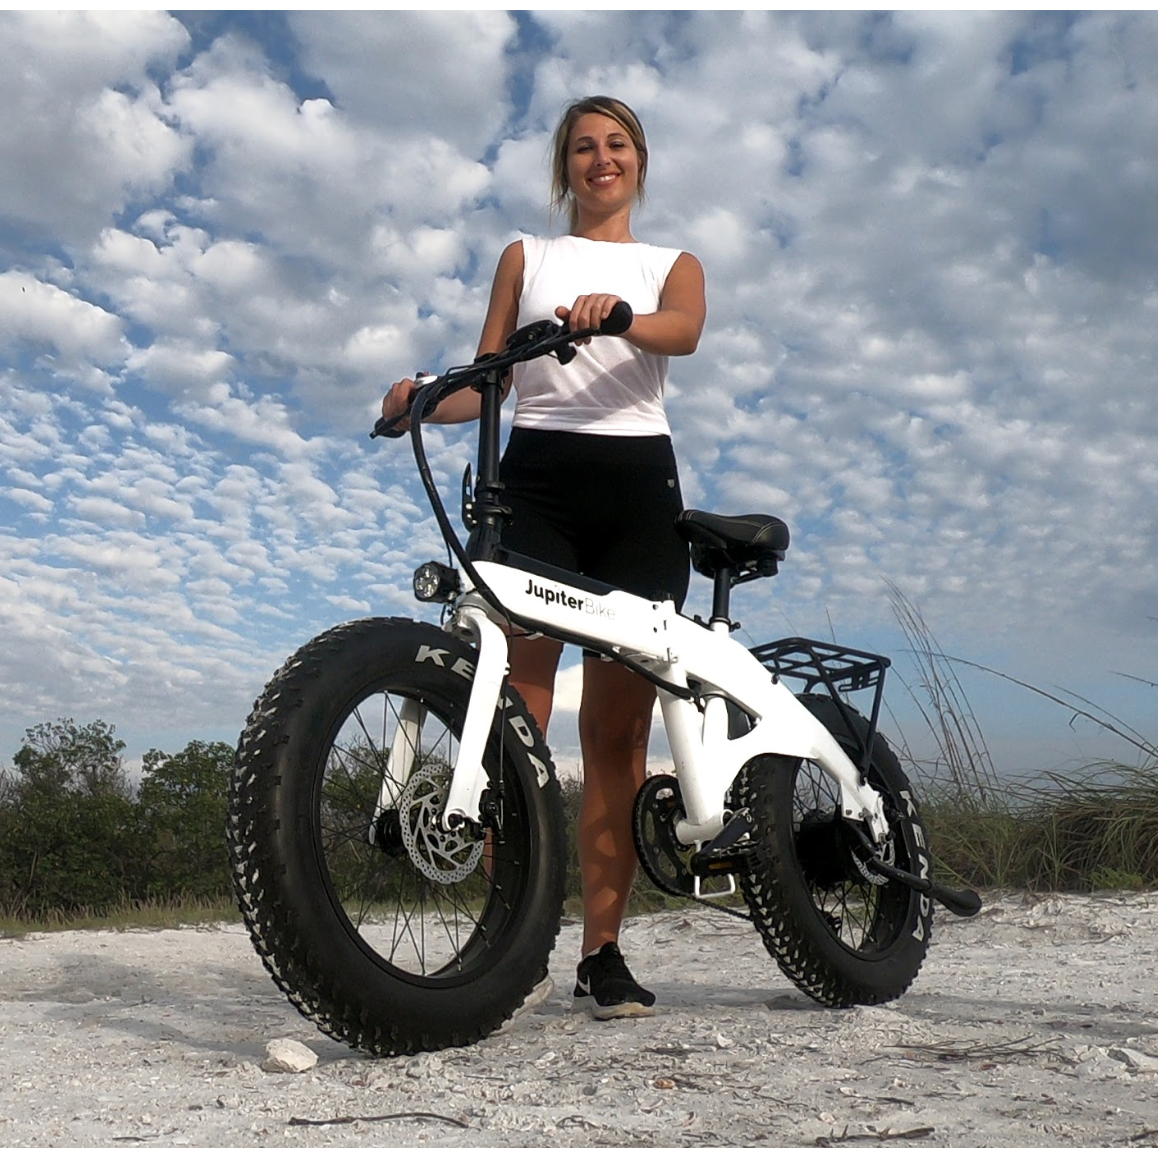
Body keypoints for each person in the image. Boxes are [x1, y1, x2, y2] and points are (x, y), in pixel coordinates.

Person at [382, 95, 706, 1020]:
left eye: (616, 145)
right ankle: (509, 933)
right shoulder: (527, 255)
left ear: (640, 159)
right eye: (582, 148)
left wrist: (620, 315)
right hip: (540, 480)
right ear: (562, 168)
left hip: (637, 489)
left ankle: (602, 951)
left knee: (614, 739)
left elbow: (683, 329)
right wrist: (422, 397)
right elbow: (494, 377)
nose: (600, 159)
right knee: (513, 725)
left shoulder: (669, 265)